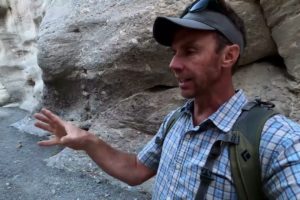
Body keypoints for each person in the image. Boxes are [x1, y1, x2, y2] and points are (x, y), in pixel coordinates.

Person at [34, 0, 300, 199]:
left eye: (190, 50)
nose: (173, 64)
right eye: (174, 52)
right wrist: (88, 141)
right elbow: (137, 169)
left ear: (228, 56)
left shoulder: (278, 141)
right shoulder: (177, 120)